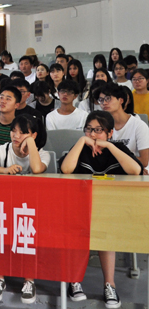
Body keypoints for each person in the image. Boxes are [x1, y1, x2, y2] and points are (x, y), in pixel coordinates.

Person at [60, 110, 141, 308]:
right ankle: (74, 281)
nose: (93, 135)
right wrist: (81, 141)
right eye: (89, 129)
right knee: (75, 231)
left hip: (110, 206)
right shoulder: (81, 147)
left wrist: (109, 146)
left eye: (99, 130)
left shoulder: (118, 148)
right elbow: (66, 169)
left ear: (110, 132)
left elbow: (135, 170)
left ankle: (109, 285)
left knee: (106, 231)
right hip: (79, 204)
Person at [0, 113, 50, 305]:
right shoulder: (4, 150)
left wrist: (30, 144)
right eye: (13, 131)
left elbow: (37, 168)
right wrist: (4, 170)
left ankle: (29, 280)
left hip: (33, 210)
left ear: (34, 135)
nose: (16, 136)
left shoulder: (43, 154)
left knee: (29, 233)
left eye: (22, 132)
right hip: (6, 207)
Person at [98, 82, 149, 173]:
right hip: (109, 172)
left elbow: (144, 161)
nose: (104, 103)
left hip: (133, 172)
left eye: (108, 98)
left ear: (121, 100)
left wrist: (113, 157)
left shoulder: (139, 126)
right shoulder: (100, 126)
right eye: (101, 100)